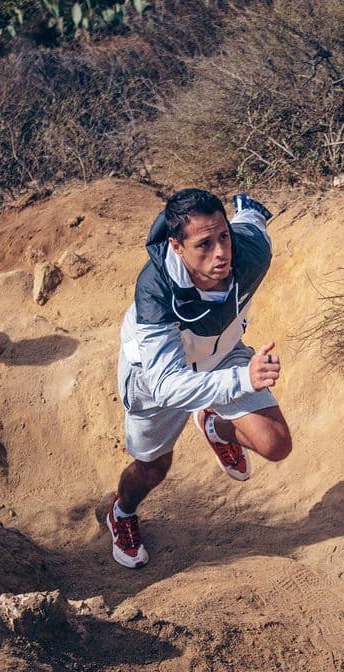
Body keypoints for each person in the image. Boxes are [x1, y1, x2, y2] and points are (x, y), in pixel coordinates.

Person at [106, 189, 292, 568]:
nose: (221, 253)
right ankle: (121, 514)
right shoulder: (155, 292)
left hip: (221, 354)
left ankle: (214, 426)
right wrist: (244, 380)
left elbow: (251, 220)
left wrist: (249, 212)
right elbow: (167, 386)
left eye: (223, 236)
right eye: (204, 244)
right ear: (176, 246)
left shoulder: (251, 252)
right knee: (153, 467)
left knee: (275, 444)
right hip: (157, 379)